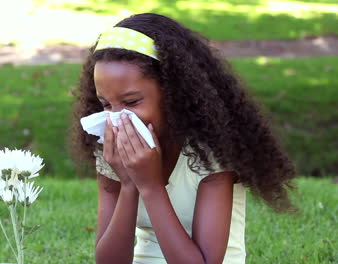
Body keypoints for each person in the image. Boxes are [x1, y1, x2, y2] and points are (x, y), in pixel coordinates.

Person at [69, 12, 297, 264]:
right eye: (106, 104)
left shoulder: (212, 154)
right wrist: (129, 184)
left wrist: (150, 186)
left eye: (131, 102)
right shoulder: (112, 150)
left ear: (173, 92)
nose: (118, 118)